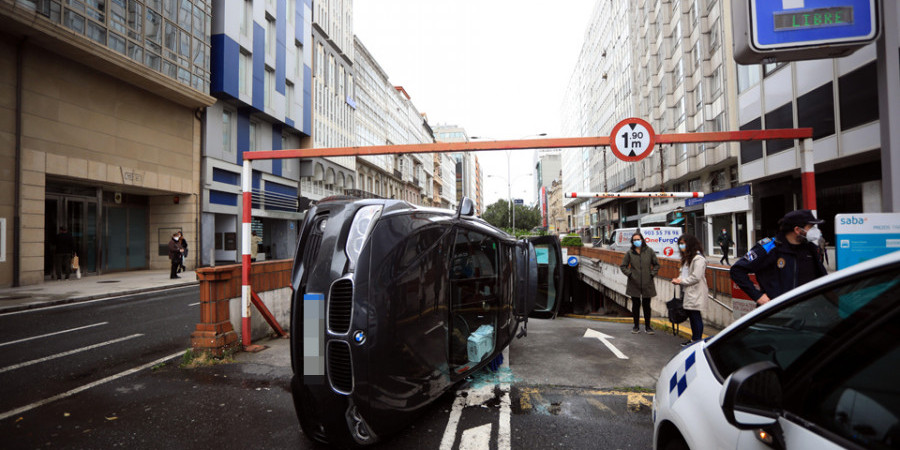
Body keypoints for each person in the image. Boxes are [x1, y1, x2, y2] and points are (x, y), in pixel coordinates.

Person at [730, 209, 828, 307]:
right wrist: (757, 296)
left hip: (807, 312)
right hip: (777, 314)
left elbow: (823, 280)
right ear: (797, 230)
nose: (815, 230)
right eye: (811, 227)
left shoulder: (812, 249)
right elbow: (737, 270)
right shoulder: (769, 248)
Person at [620, 231, 660, 334]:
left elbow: (656, 265)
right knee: (635, 305)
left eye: (638, 239)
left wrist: (652, 274)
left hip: (648, 283)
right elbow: (623, 266)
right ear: (632, 242)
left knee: (647, 306)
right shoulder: (629, 253)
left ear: (642, 240)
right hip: (634, 283)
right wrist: (630, 274)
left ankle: (648, 327)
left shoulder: (649, 251)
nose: (637, 241)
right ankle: (636, 326)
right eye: (634, 240)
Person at [671, 234, 708, 346]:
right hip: (688, 291)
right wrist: (678, 279)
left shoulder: (698, 259)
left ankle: (697, 341)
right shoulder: (687, 259)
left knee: (695, 315)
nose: (681, 246)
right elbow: (684, 274)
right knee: (692, 316)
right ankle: (694, 339)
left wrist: (681, 282)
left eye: (683, 243)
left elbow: (696, 277)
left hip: (695, 291)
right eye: (680, 244)